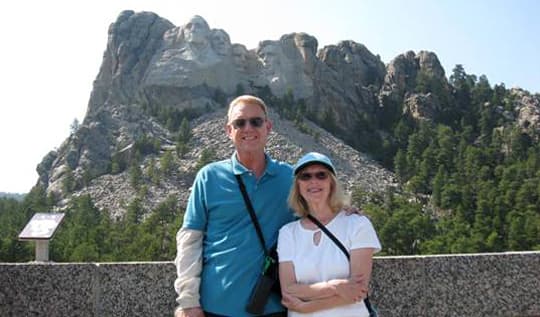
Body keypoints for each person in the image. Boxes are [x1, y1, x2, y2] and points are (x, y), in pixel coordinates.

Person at [174, 95, 295, 317]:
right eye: (240, 123)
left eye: (256, 121)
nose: (248, 128)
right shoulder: (209, 177)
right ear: (229, 131)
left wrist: (344, 212)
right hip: (216, 308)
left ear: (268, 127)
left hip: (275, 308)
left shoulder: (291, 177)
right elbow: (190, 241)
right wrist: (189, 302)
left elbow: (319, 218)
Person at [277, 152, 381, 317]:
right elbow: (289, 290)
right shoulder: (288, 233)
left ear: (332, 182)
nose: (313, 181)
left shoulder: (357, 224)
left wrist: (307, 307)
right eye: (305, 176)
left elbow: (358, 290)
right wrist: (335, 287)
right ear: (298, 186)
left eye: (321, 175)